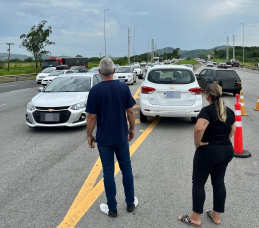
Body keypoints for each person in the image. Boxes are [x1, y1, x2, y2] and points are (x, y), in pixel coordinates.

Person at [86, 57, 138, 218]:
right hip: (121, 136)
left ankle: (112, 208)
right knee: (126, 168)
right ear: (114, 71)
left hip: (104, 139)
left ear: (99, 72)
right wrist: (132, 128)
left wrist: (89, 135)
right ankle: (130, 203)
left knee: (108, 171)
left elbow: (92, 117)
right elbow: (130, 111)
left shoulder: (95, 91)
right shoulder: (123, 87)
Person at [178, 84, 236, 227]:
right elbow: (232, 130)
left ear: (207, 95)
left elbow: (199, 128)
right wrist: (223, 141)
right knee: (219, 181)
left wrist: (198, 143)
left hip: (209, 151)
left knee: (198, 182)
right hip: (226, 150)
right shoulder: (229, 111)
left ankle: (196, 217)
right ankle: (216, 215)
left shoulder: (207, 111)